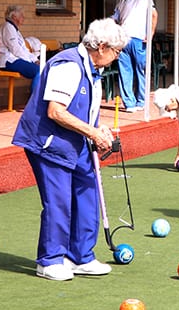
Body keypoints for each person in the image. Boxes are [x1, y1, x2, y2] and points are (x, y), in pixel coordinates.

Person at [12, 18, 128, 281]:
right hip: (49, 142)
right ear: (100, 46)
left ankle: (81, 256)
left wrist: (101, 130)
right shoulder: (68, 66)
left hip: (76, 142)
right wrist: (92, 132)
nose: (117, 57)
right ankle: (50, 260)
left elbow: (86, 111)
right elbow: (55, 111)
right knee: (59, 201)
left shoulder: (94, 71)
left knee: (88, 191)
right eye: (116, 51)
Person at [112, 0, 157, 112]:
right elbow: (154, 15)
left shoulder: (122, 1)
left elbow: (114, 19)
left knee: (125, 72)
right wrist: (151, 33)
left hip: (124, 39)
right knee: (140, 70)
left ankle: (129, 104)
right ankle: (141, 101)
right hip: (139, 39)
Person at [0, 4, 43, 89]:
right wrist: (29, 62)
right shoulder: (7, 27)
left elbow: (24, 49)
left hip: (16, 59)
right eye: (21, 15)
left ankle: (37, 98)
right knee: (38, 71)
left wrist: (35, 60)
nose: (23, 18)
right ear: (14, 16)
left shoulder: (15, 29)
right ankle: (34, 99)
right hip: (8, 61)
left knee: (43, 69)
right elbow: (15, 49)